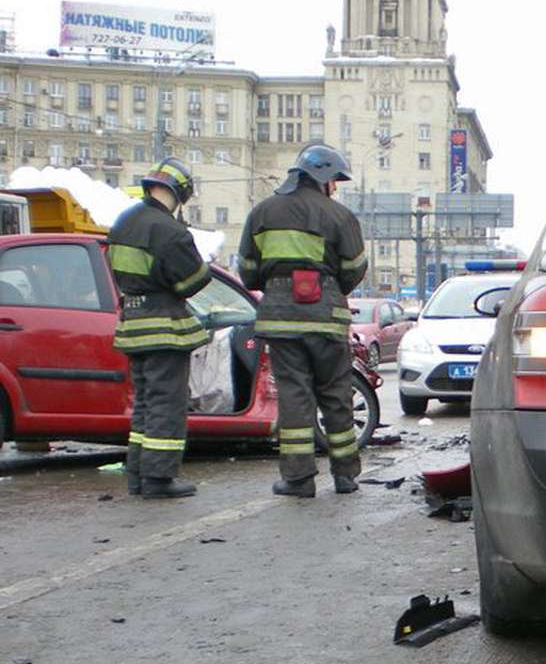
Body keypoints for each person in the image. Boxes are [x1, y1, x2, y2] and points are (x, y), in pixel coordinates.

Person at [237, 144, 368, 498]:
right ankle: (345, 475)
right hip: (327, 317)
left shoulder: (262, 212)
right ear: (324, 177)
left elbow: (247, 272)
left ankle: (298, 480)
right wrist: (328, 285)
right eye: (335, 181)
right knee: (336, 394)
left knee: (295, 396)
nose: (336, 188)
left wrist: (275, 282)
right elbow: (355, 269)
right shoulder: (340, 216)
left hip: (280, 319)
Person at [107, 157, 211, 499]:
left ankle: (137, 474)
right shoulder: (169, 230)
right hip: (164, 327)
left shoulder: (123, 222)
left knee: (145, 403)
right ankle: (159, 479)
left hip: (132, 325)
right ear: (180, 193)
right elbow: (193, 281)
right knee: (168, 404)